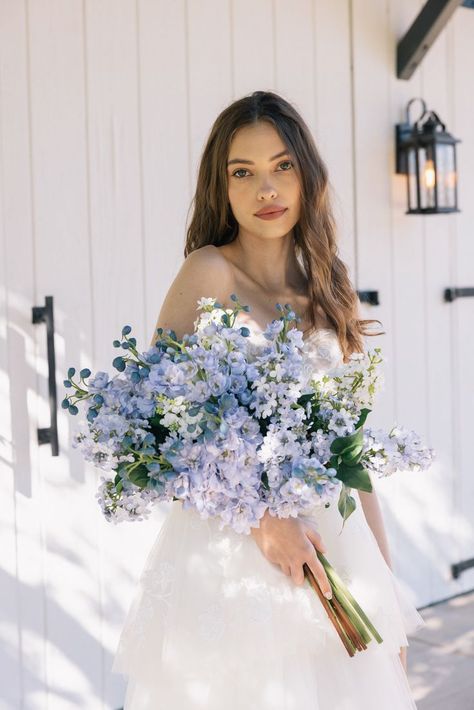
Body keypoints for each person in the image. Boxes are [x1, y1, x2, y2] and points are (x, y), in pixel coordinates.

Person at [112, 90, 425, 708]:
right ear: (221, 187)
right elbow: (149, 427)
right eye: (243, 172)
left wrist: (384, 587)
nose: (266, 189)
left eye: (282, 165)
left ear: (307, 174)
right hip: (234, 563)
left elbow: (350, 457)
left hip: (335, 551)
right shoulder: (209, 274)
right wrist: (263, 522)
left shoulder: (329, 285)